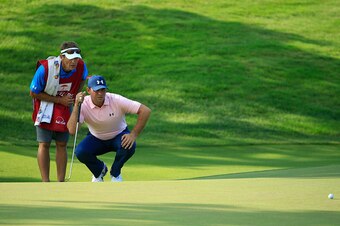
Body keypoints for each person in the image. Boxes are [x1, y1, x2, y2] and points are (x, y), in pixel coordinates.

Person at [67, 75, 151, 182]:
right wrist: (76, 105)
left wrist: (133, 134)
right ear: (88, 90)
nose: (100, 93)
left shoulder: (115, 99)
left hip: (119, 136)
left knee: (130, 145)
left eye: (103, 90)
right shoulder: (83, 104)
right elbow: (72, 130)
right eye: (96, 90)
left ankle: (115, 173)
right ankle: (99, 171)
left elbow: (145, 111)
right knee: (80, 151)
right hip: (96, 137)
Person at [29, 41, 88, 182]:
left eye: (76, 58)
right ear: (61, 57)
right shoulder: (45, 69)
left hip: (65, 106)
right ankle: (45, 182)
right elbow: (33, 93)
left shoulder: (81, 66)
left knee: (62, 143)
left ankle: (60, 182)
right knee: (44, 143)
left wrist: (74, 98)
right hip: (45, 107)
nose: (74, 61)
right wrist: (59, 100)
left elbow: (81, 80)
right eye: (71, 58)